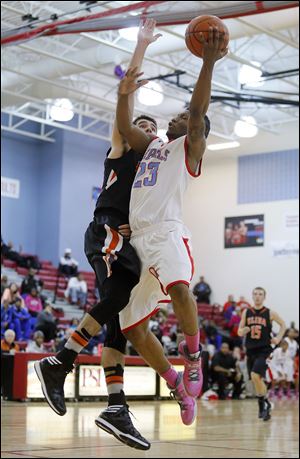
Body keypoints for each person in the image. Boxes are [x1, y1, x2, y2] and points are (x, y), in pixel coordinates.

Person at [34, 19, 162, 451]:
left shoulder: (152, 173)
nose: (145, 127)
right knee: (119, 300)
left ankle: (115, 406)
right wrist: (140, 48)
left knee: (119, 322)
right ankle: (59, 362)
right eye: (141, 122)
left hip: (125, 239)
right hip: (104, 230)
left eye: (151, 125)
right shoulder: (122, 148)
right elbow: (124, 102)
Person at [115, 27, 226, 407]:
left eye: (181, 117)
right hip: (137, 242)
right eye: (176, 116)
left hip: (166, 233)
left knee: (181, 289)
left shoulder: (189, 149)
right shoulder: (155, 146)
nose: (176, 119)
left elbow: (197, 112)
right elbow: (127, 128)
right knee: (132, 328)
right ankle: (176, 385)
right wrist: (123, 94)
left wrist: (208, 62)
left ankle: (193, 356)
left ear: (197, 133)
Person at [238, 287, 286, 421]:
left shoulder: (270, 313)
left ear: (264, 297)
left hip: (264, 350)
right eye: (255, 294)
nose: (257, 296)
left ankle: (262, 405)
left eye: (260, 294)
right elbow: (239, 331)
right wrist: (244, 330)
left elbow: (283, 325)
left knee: (255, 375)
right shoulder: (246, 312)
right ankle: (266, 403)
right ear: (252, 296)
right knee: (256, 379)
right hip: (250, 350)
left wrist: (278, 338)